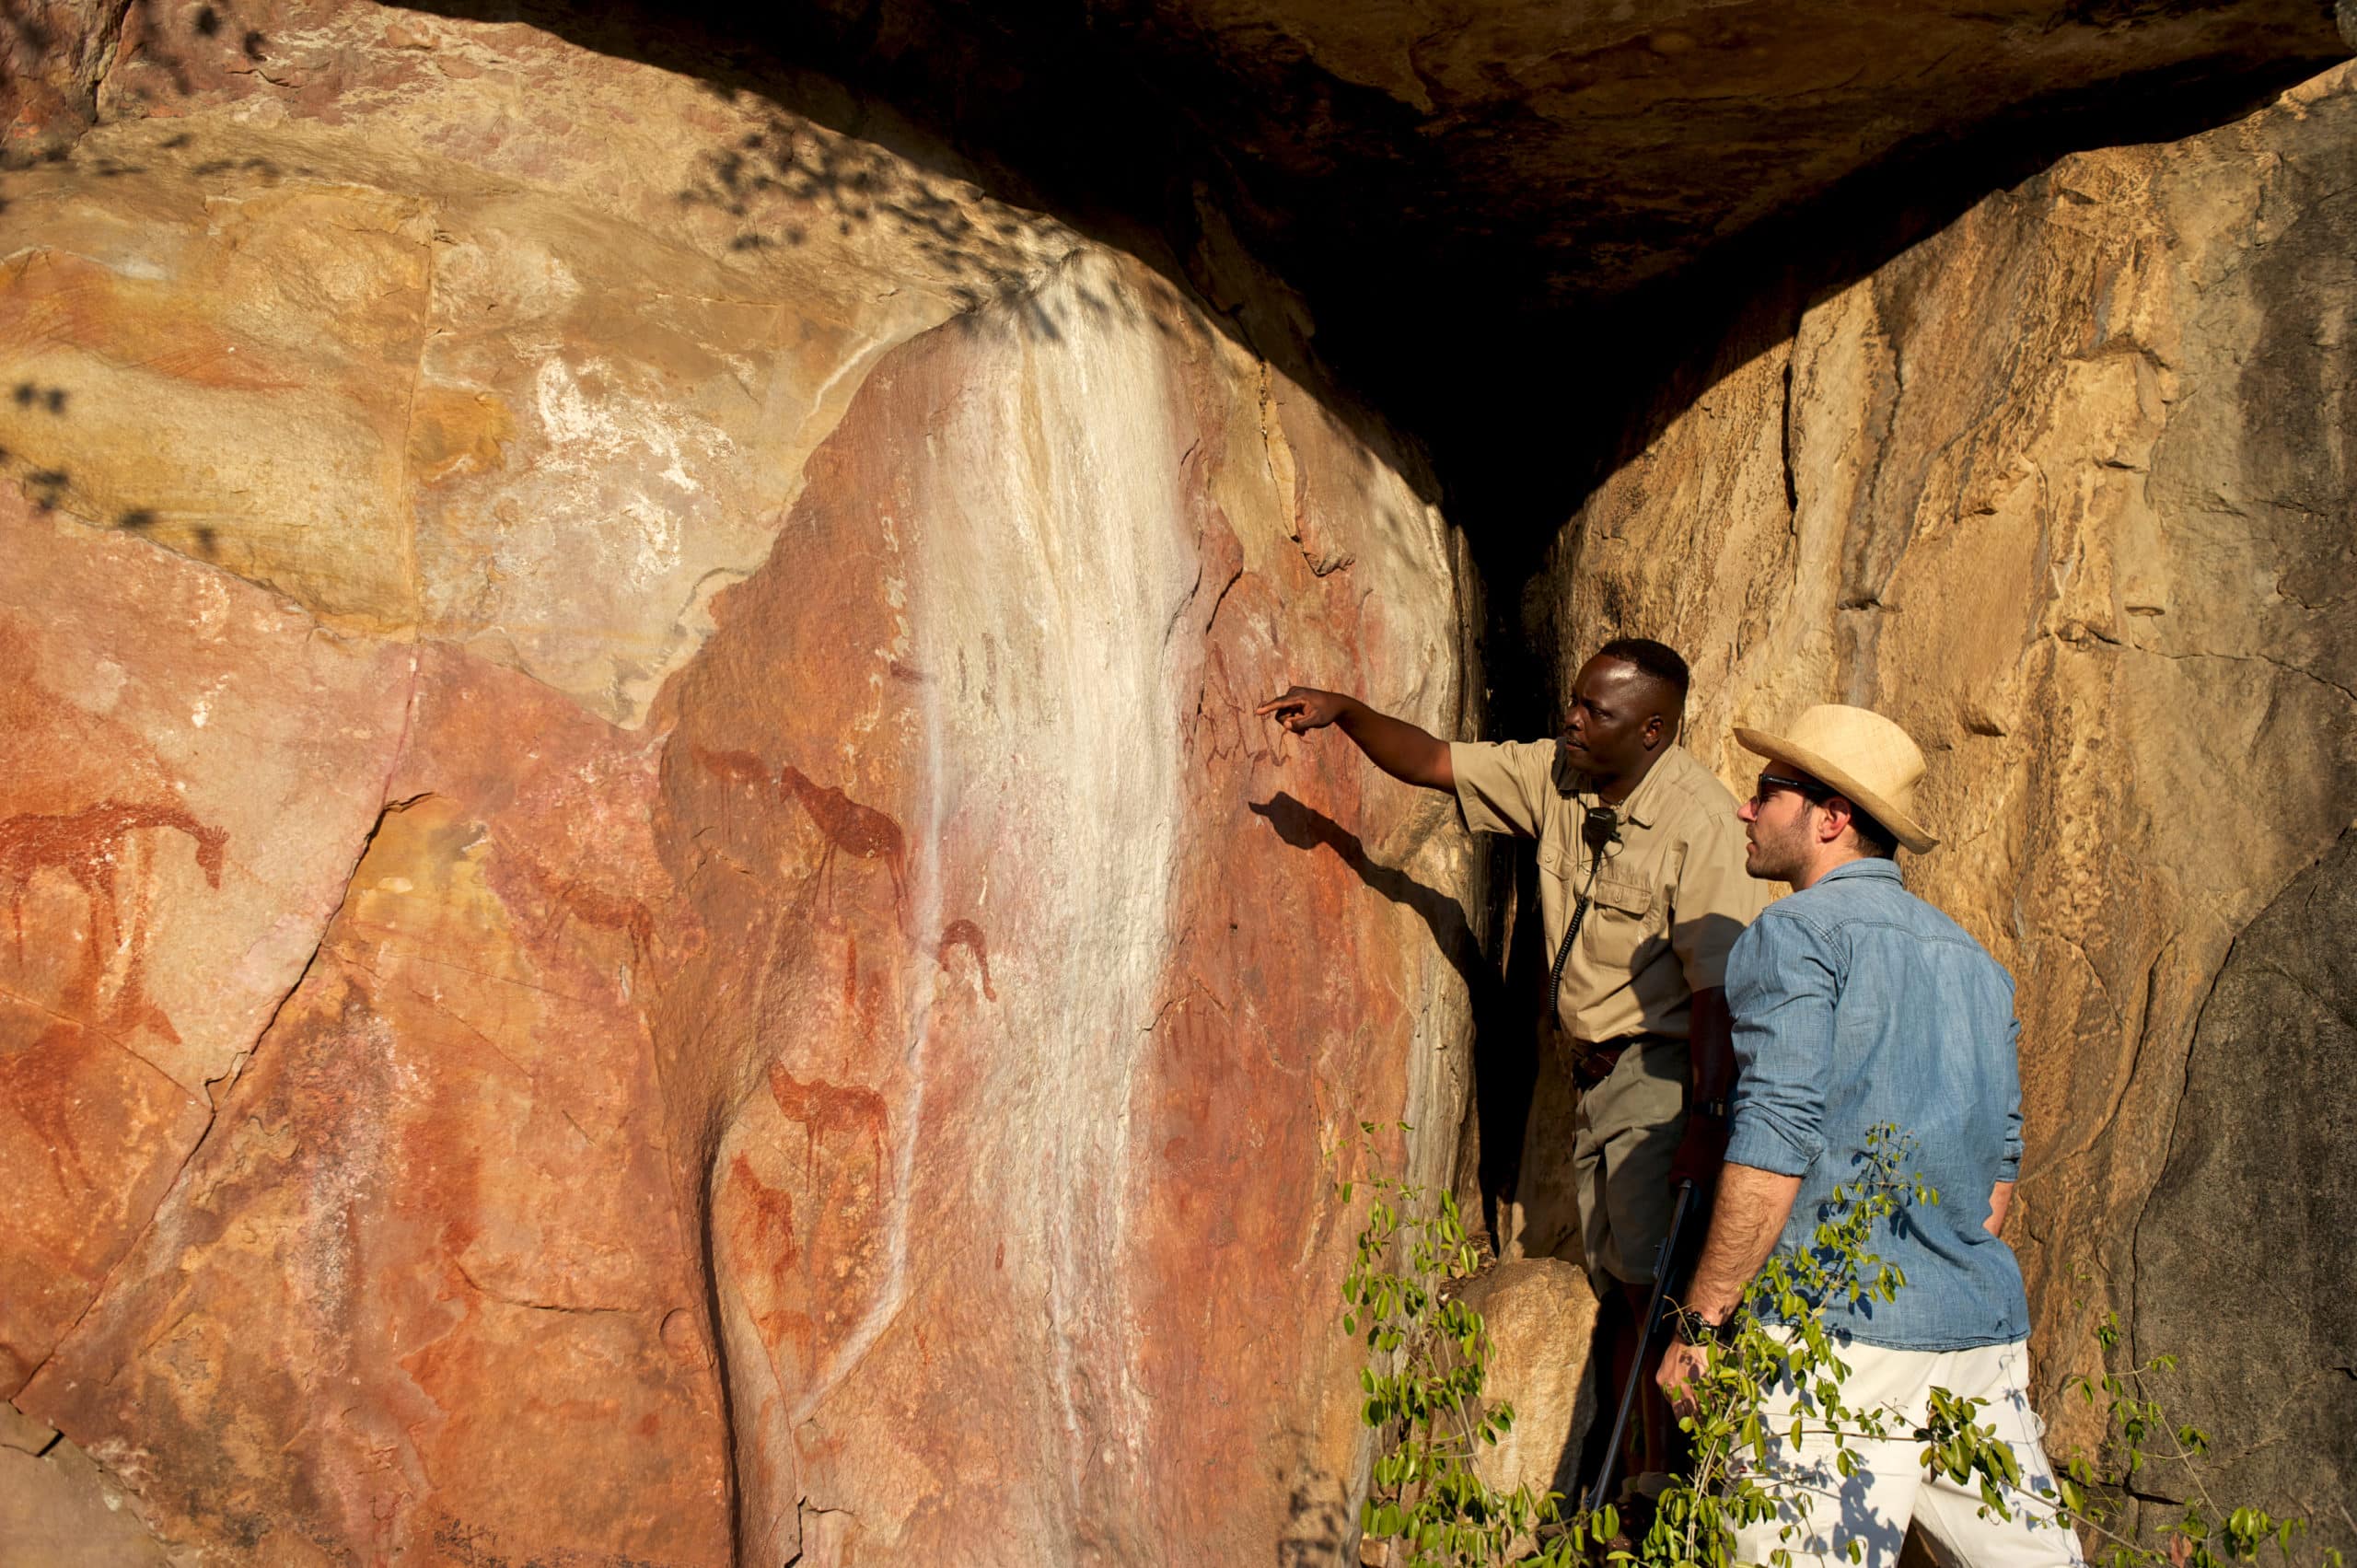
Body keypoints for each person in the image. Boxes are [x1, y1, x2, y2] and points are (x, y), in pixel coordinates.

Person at [1259, 637, 1766, 1481]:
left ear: (1653, 731)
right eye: (1575, 699)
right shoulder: (1559, 775)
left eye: (1596, 711)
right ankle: (1628, 1482)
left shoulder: (1701, 823)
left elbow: (1719, 998)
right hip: (1596, 1079)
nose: (1572, 718)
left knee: (1654, 1294)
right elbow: (1432, 760)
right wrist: (1343, 710)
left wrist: (1705, 1128)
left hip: (1664, 1075)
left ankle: (1658, 1486)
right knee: (1621, 1289)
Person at [1655, 703, 2081, 1568]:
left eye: (1767, 791)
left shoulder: (1795, 933)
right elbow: (1997, 1173)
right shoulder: (1974, 961)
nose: (1746, 807)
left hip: (1833, 1339)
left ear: (1830, 817)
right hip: (1978, 1335)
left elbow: (1775, 1136)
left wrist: (1700, 1323)